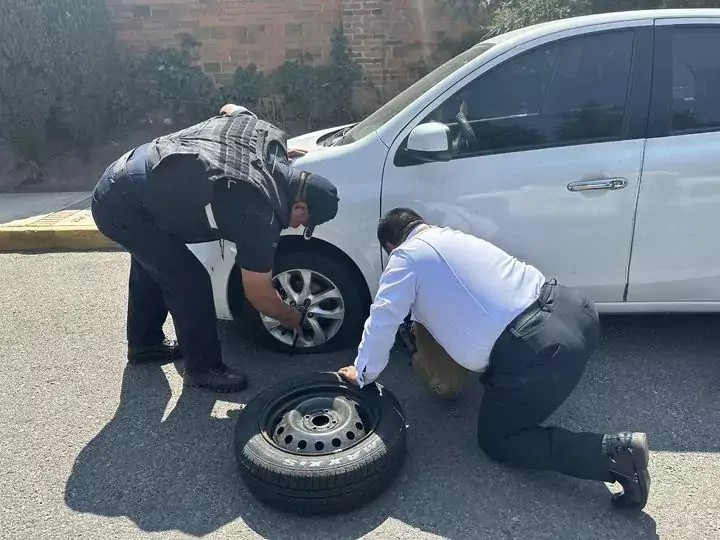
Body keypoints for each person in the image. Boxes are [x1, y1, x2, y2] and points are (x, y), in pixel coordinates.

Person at [338, 207, 651, 510]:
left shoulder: (404, 258)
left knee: (498, 439)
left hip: (540, 353)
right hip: (577, 311)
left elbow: (383, 318)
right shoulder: (455, 237)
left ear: (391, 246)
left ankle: (615, 455)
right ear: (422, 223)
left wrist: (363, 373)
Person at [92, 104, 339, 393]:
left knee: (154, 265)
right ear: (299, 205)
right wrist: (289, 315)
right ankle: (203, 369)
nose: (296, 227)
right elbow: (258, 294)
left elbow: (231, 109)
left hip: (130, 175)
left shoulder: (271, 139)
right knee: (189, 281)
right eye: (302, 221)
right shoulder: (260, 215)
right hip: (122, 207)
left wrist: (279, 160)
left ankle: (144, 344)